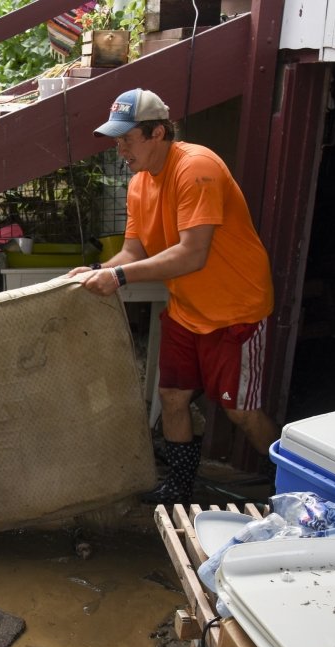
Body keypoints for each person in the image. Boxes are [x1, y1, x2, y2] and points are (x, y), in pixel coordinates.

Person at [69, 88, 280, 505]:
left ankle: (296, 483)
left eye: (127, 139)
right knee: (172, 396)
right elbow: (132, 252)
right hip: (187, 310)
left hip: (236, 309)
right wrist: (98, 271)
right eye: (117, 140)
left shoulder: (196, 167)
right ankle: (179, 489)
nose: (120, 149)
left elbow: (192, 253)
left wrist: (120, 277)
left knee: (241, 412)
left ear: (158, 133)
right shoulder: (138, 184)